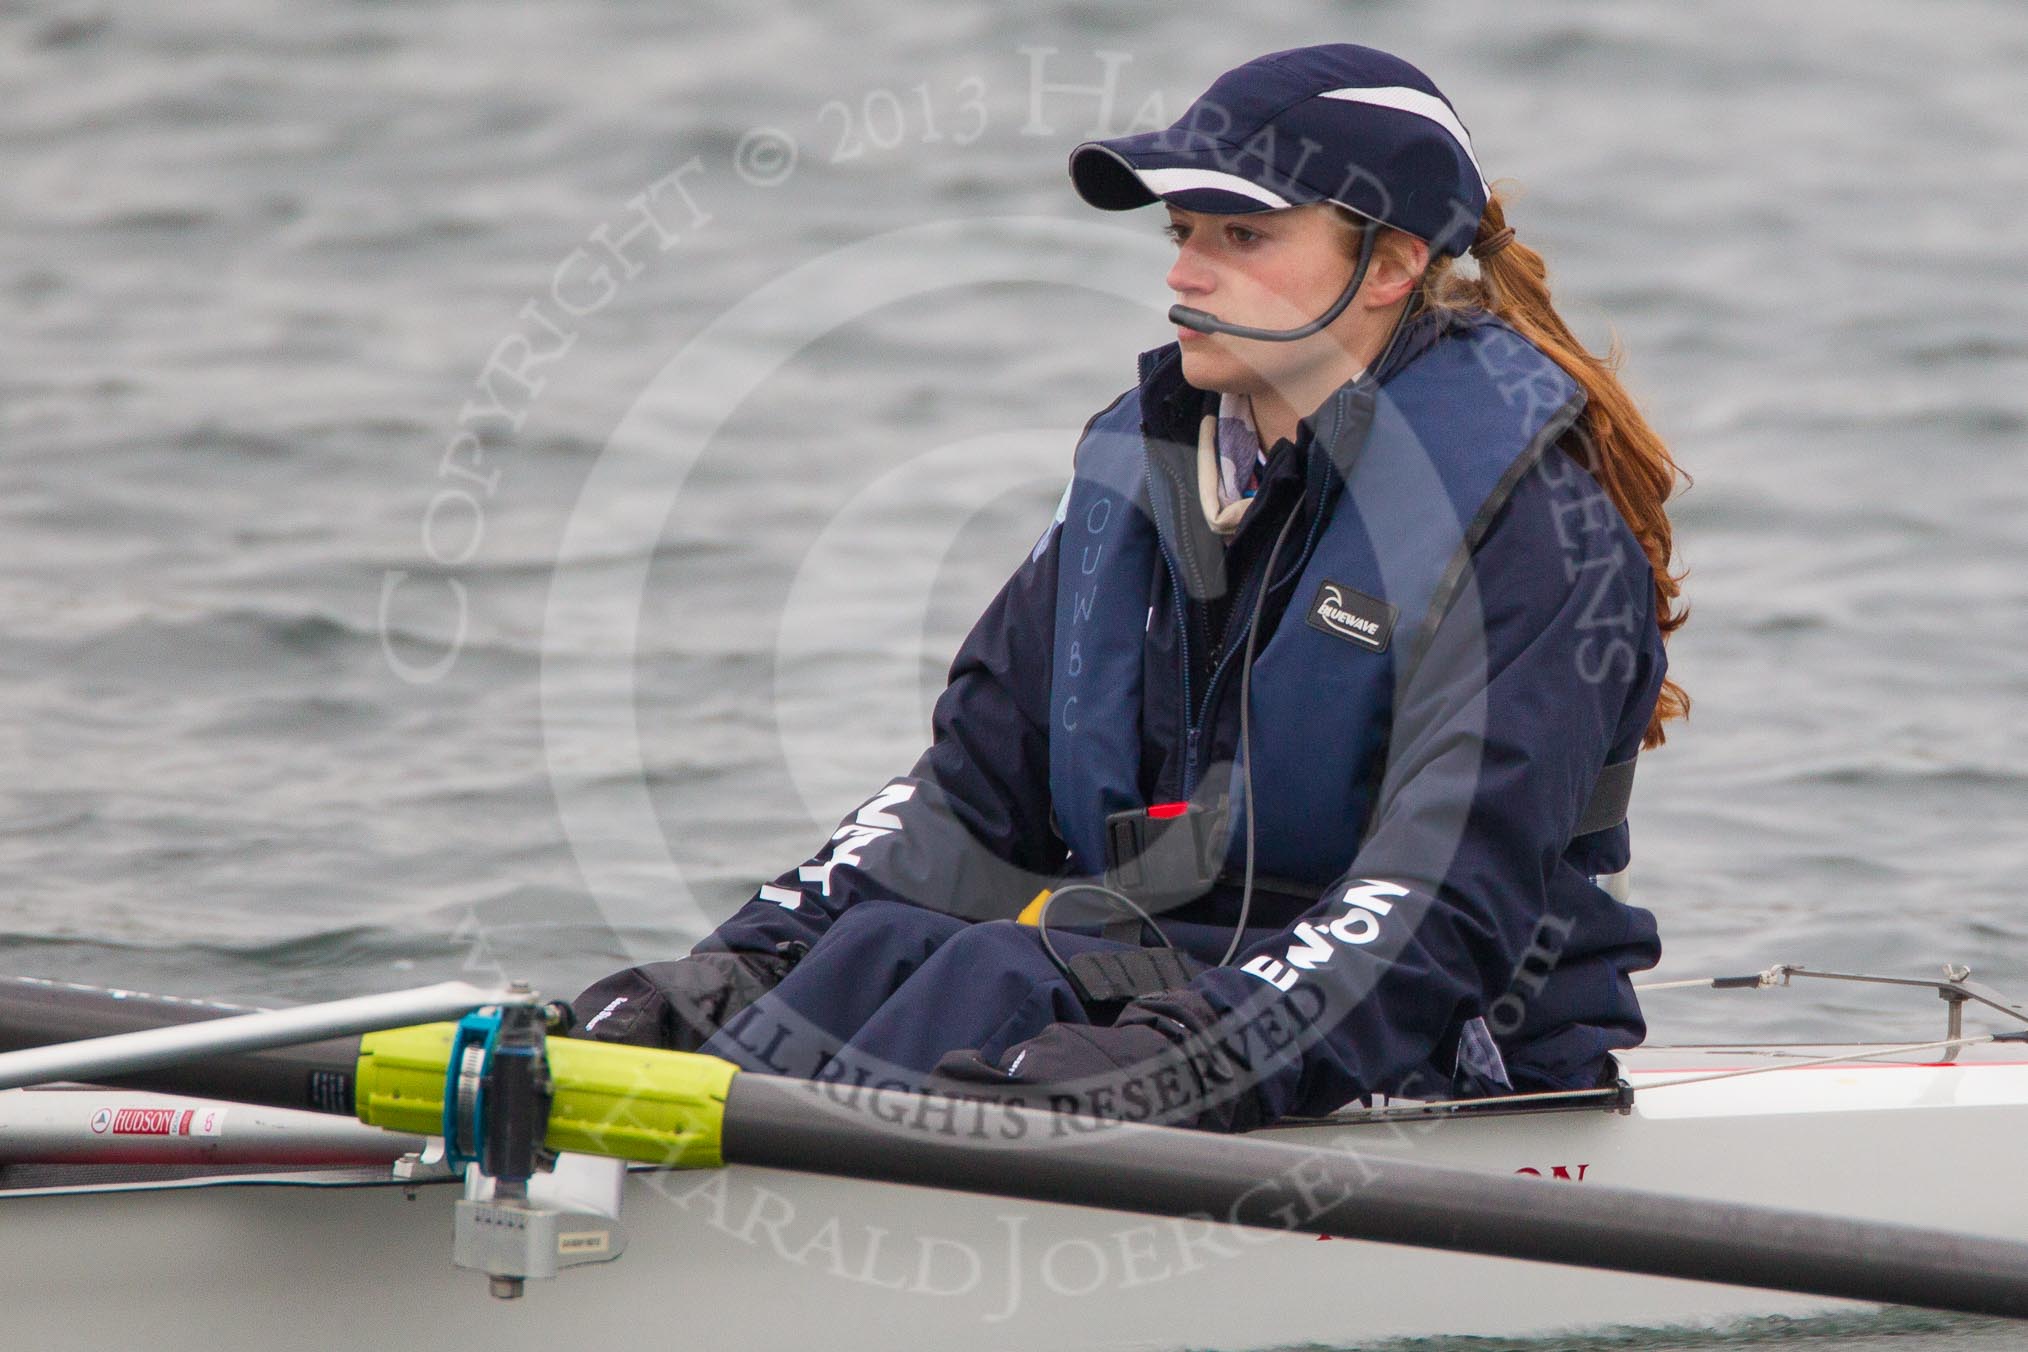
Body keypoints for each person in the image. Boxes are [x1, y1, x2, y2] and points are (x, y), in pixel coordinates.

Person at [570, 43, 1690, 1132]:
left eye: (1243, 234)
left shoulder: (1533, 528)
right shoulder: (1146, 479)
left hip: (1446, 1056)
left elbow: (1442, 912)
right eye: (1184, 232)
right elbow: (965, 805)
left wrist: (1180, 1054)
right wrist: (737, 967)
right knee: (884, 949)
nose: (1183, 272)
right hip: (1177, 991)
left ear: (1391, 264)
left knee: (996, 970)